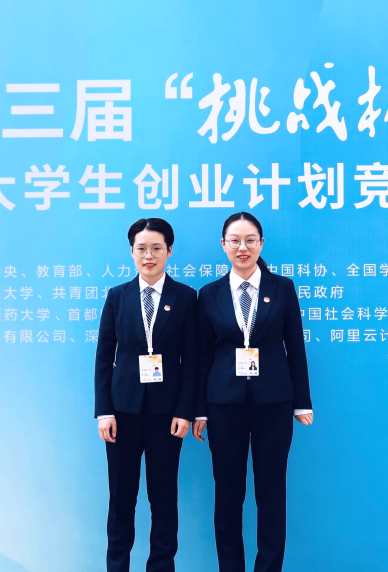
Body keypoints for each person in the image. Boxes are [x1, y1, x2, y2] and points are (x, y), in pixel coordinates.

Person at [192, 212, 314, 572]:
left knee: (271, 492)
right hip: (223, 404)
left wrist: (302, 402)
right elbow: (201, 356)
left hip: (274, 403)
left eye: (250, 240)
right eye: (235, 240)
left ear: (261, 243)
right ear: (223, 245)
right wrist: (199, 409)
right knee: (228, 493)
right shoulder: (209, 294)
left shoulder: (283, 288)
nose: (242, 247)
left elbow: (295, 347)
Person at [94, 218, 198, 572]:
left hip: (166, 416)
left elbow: (192, 360)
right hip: (121, 413)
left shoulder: (186, 297)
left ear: (169, 251)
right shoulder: (117, 296)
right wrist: (104, 411)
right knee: (121, 498)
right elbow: (104, 356)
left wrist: (185, 411)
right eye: (141, 248)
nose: (148, 255)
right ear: (132, 252)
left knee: (164, 498)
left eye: (156, 248)